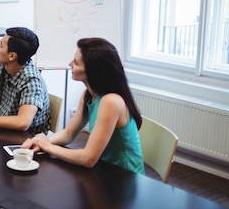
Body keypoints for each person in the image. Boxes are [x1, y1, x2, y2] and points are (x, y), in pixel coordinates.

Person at [22, 37, 145, 174]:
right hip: (104, 171)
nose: (70, 64)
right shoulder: (89, 94)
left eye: (76, 62)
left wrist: (47, 146)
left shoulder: (111, 101)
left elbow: (88, 159)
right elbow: (68, 133)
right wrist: (42, 142)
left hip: (124, 178)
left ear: (93, 70)